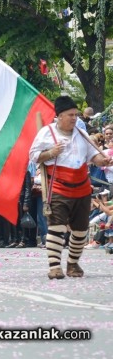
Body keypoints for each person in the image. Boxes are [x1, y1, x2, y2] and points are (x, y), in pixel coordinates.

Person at [29, 96, 113, 279]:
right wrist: (51, 152)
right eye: (70, 115)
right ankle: (54, 266)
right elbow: (34, 156)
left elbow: (92, 157)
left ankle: (73, 264)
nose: (74, 118)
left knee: (81, 230)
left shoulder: (81, 133)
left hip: (82, 187)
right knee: (57, 227)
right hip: (58, 186)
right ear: (59, 116)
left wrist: (103, 161)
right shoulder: (46, 133)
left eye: (76, 115)